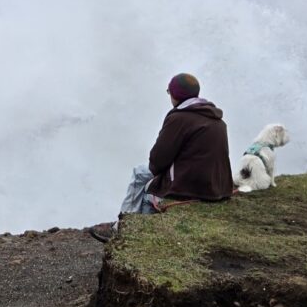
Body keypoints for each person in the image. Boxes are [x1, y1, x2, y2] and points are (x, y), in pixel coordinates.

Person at [90, 73, 232, 242]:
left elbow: (158, 161)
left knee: (140, 176)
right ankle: (127, 226)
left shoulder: (180, 117)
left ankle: (122, 229)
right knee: (147, 178)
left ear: (176, 95)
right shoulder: (217, 120)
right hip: (217, 187)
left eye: (169, 92)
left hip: (190, 187)